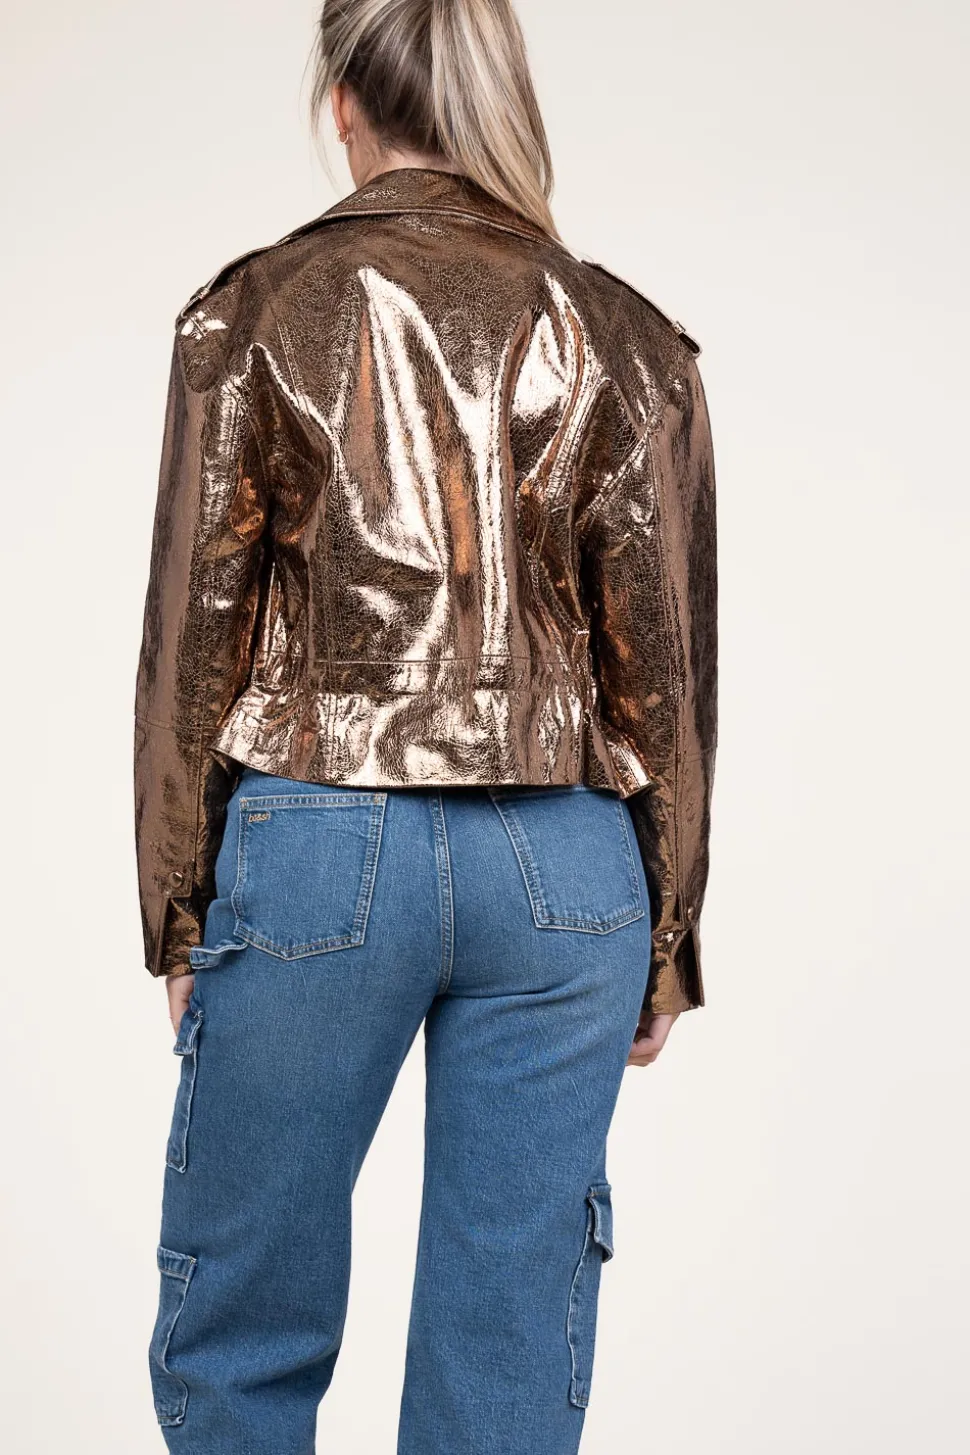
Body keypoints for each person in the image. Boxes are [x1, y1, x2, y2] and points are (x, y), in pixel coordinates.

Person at [134, 1, 718, 1449]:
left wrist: (176, 911)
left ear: (343, 99)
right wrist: (667, 931)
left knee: (242, 1331)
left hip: (320, 840)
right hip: (566, 867)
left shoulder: (253, 313)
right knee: (508, 1354)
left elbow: (193, 643)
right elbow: (666, 668)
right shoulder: (625, 336)